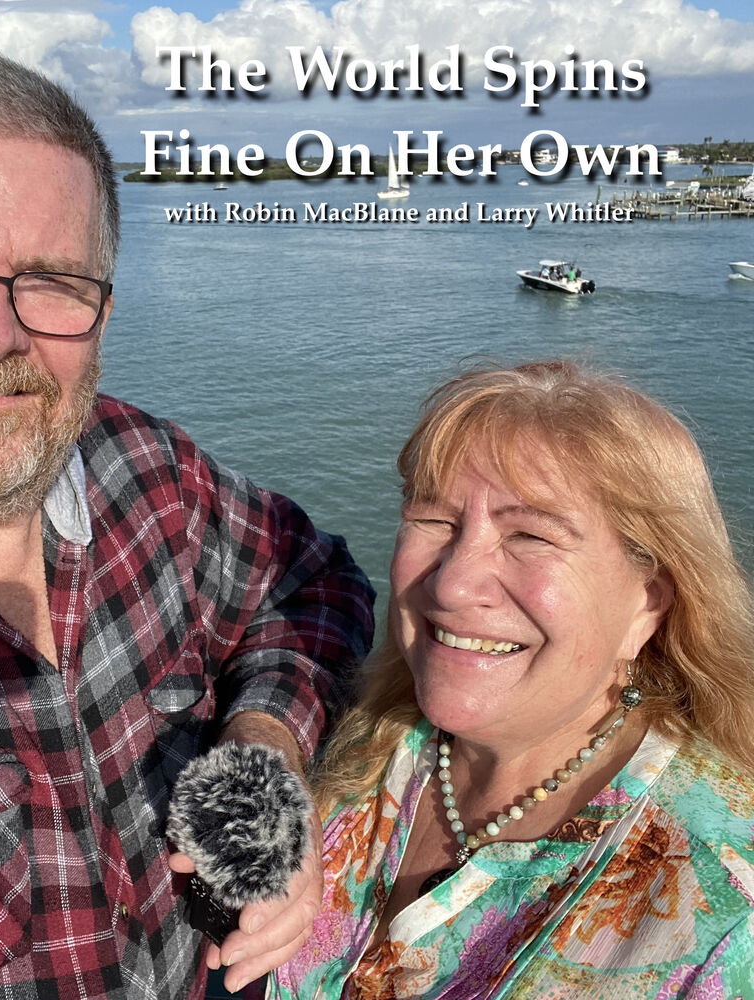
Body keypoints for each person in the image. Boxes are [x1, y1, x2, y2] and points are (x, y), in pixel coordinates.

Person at [0, 48, 374, 1000]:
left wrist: (264, 754)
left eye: (51, 282)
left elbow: (309, 582)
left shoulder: (145, 473)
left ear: (104, 312)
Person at [272, 360, 754, 999]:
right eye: (436, 522)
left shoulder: (724, 912)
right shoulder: (366, 738)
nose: (452, 582)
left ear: (648, 603)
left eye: (529, 535)